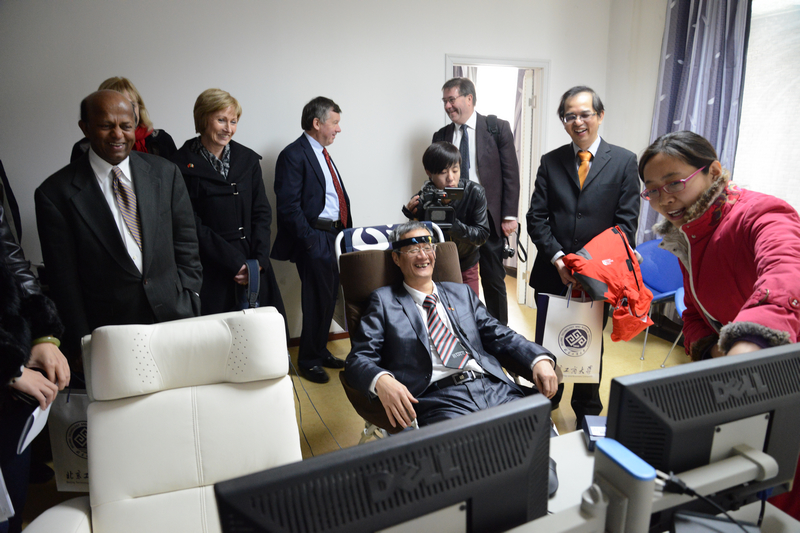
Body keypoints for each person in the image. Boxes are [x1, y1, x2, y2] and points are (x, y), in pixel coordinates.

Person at [639, 130, 800, 519]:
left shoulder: (761, 214)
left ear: (713, 171)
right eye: (653, 191)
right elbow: (695, 313)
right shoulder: (690, 234)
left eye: (674, 183)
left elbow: (786, 273)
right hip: (749, 374)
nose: (664, 199)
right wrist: (713, 349)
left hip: (780, 363)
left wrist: (747, 344)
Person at [35, 90, 202, 361]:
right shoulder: (55, 194)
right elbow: (63, 281)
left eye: (126, 126)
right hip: (110, 334)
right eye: (106, 126)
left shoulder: (165, 172)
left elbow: (186, 241)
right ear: (85, 128)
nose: (118, 134)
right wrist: (84, 343)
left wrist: (190, 292)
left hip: (176, 317)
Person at [344, 221, 557, 429]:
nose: (422, 256)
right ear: (396, 258)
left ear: (435, 253)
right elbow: (359, 357)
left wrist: (537, 358)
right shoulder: (384, 302)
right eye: (413, 250)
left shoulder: (461, 293)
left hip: (493, 388)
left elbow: (499, 333)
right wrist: (381, 380)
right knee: (473, 448)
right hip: (438, 400)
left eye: (427, 248)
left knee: (539, 434)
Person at [526, 86, 640, 428]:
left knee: (590, 342)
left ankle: (588, 411)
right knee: (549, 342)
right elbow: (536, 217)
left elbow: (626, 225)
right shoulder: (551, 162)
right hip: (553, 272)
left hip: (599, 277)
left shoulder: (624, 161)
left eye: (585, 114)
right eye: (570, 116)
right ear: (563, 122)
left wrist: (588, 266)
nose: (578, 122)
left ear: (600, 116)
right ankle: (546, 400)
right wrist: (559, 258)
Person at [171, 89, 286, 320]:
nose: (228, 128)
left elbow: (262, 212)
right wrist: (233, 263)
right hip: (210, 269)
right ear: (203, 119)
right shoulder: (179, 165)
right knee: (219, 337)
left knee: (264, 333)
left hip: (254, 265)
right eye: (221, 120)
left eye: (233, 121)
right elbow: (189, 223)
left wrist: (259, 261)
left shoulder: (247, 159)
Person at [271, 97, 351, 384]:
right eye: (335, 122)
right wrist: (309, 241)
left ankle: (319, 351)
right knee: (316, 300)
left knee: (328, 298)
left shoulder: (322, 153)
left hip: (334, 236)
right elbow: (288, 207)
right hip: (315, 237)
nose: (339, 129)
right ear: (317, 123)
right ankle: (308, 360)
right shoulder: (293, 154)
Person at [1, 200, 70, 533]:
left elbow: (9, 256)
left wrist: (43, 334)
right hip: (11, 370)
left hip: (12, 394)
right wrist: (9, 368)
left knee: (12, 510)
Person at [433, 77, 519, 326]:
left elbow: (510, 173)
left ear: (469, 98)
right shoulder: (441, 135)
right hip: (454, 220)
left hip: (488, 217)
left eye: (452, 100)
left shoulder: (497, 128)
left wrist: (509, 215)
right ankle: (464, 329)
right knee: (456, 278)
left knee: (493, 279)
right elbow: (436, 177)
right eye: (444, 101)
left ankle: (499, 333)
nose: (447, 106)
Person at [402, 142, 489, 294]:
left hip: (467, 263)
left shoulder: (474, 192)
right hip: (436, 265)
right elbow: (417, 244)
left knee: (469, 305)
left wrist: (452, 224)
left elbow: (482, 235)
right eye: (443, 172)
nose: (451, 178)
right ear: (429, 173)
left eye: (455, 170)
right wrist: (412, 218)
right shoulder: (424, 199)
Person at [70, 77, 177, 162]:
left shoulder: (161, 140)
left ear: (140, 107)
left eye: (131, 105)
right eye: (114, 106)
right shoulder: (84, 148)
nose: (125, 112)